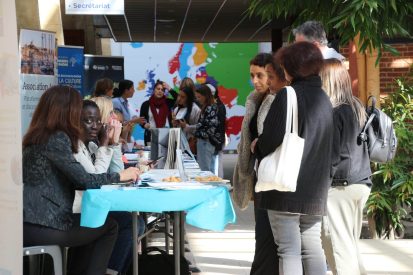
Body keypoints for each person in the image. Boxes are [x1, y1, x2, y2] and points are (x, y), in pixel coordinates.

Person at [22, 85, 140, 275]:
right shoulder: (56, 139)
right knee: (110, 226)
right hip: (43, 225)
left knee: (93, 222)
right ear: (67, 111)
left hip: (31, 222)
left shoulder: (37, 137)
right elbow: (85, 180)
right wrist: (120, 176)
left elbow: (78, 180)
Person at [253, 42, 334, 275]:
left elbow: (270, 140)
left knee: (288, 250)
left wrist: (258, 145)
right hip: (315, 189)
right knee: (312, 247)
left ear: (290, 68)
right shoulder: (324, 99)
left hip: (285, 187)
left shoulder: (288, 95)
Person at [74, 100, 145, 275]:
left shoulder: (90, 143)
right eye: (111, 114)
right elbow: (96, 179)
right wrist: (106, 144)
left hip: (91, 204)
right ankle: (110, 271)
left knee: (136, 222)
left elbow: (116, 171)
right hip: (79, 210)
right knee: (129, 223)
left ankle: (114, 270)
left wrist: (113, 144)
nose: (115, 118)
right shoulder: (78, 145)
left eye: (98, 121)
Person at [320, 59, 371, 275]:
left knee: (337, 247)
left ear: (328, 81)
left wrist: (319, 187)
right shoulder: (357, 107)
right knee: (349, 245)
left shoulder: (334, 112)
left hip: (340, 187)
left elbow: (331, 157)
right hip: (361, 184)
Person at [232, 53, 280, 275]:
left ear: (271, 74)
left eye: (260, 75)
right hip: (260, 175)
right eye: (252, 75)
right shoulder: (254, 99)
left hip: (275, 178)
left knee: (268, 238)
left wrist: (261, 144)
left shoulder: (280, 100)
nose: (255, 81)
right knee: (262, 235)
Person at [91, 96, 124, 173]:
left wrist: (114, 142)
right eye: (110, 113)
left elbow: (118, 174)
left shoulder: (100, 139)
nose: (115, 116)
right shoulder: (91, 143)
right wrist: (112, 143)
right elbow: (101, 176)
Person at [194, 84, 222, 172]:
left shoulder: (211, 108)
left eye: (199, 97)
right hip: (204, 142)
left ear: (205, 96)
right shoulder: (207, 107)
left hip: (206, 142)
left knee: (205, 170)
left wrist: (197, 132)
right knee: (205, 168)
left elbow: (210, 130)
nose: (197, 99)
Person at [140, 80, 176, 145]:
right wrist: (144, 125)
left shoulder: (168, 102)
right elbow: (141, 120)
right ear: (154, 90)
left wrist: (169, 89)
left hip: (166, 136)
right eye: (158, 89)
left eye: (162, 90)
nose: (160, 91)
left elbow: (178, 98)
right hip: (151, 136)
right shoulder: (146, 104)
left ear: (164, 92)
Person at [205, 83, 226, 177]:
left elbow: (219, 128)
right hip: (208, 145)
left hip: (215, 144)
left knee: (216, 171)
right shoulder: (208, 106)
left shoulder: (219, 107)